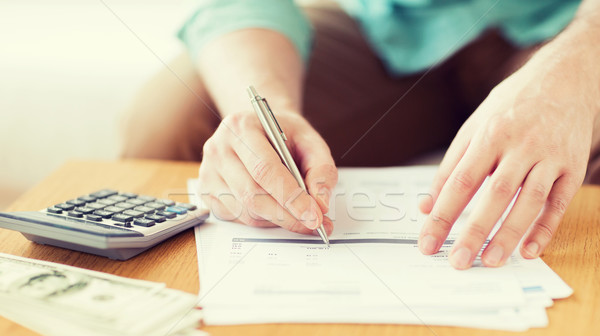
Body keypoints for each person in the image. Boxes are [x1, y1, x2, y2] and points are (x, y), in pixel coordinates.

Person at [121, 0, 600, 269]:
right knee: (180, 116)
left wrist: (578, 65)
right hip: (393, 26)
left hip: (576, 26)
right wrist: (264, 112)